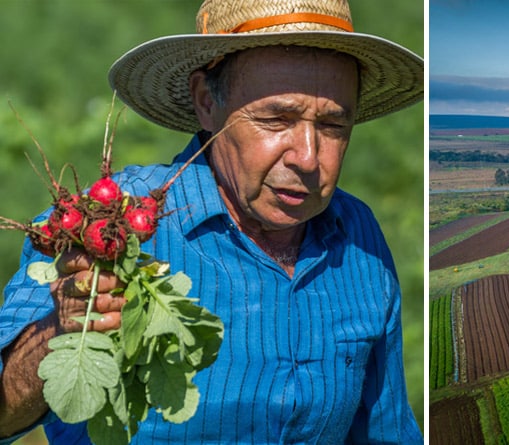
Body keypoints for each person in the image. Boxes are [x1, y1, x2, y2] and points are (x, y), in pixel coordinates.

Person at [0, 0, 423, 443]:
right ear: (207, 103)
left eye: (333, 126)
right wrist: (61, 328)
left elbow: (384, 432)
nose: (308, 157)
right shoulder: (110, 225)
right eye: (277, 119)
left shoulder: (358, 235)